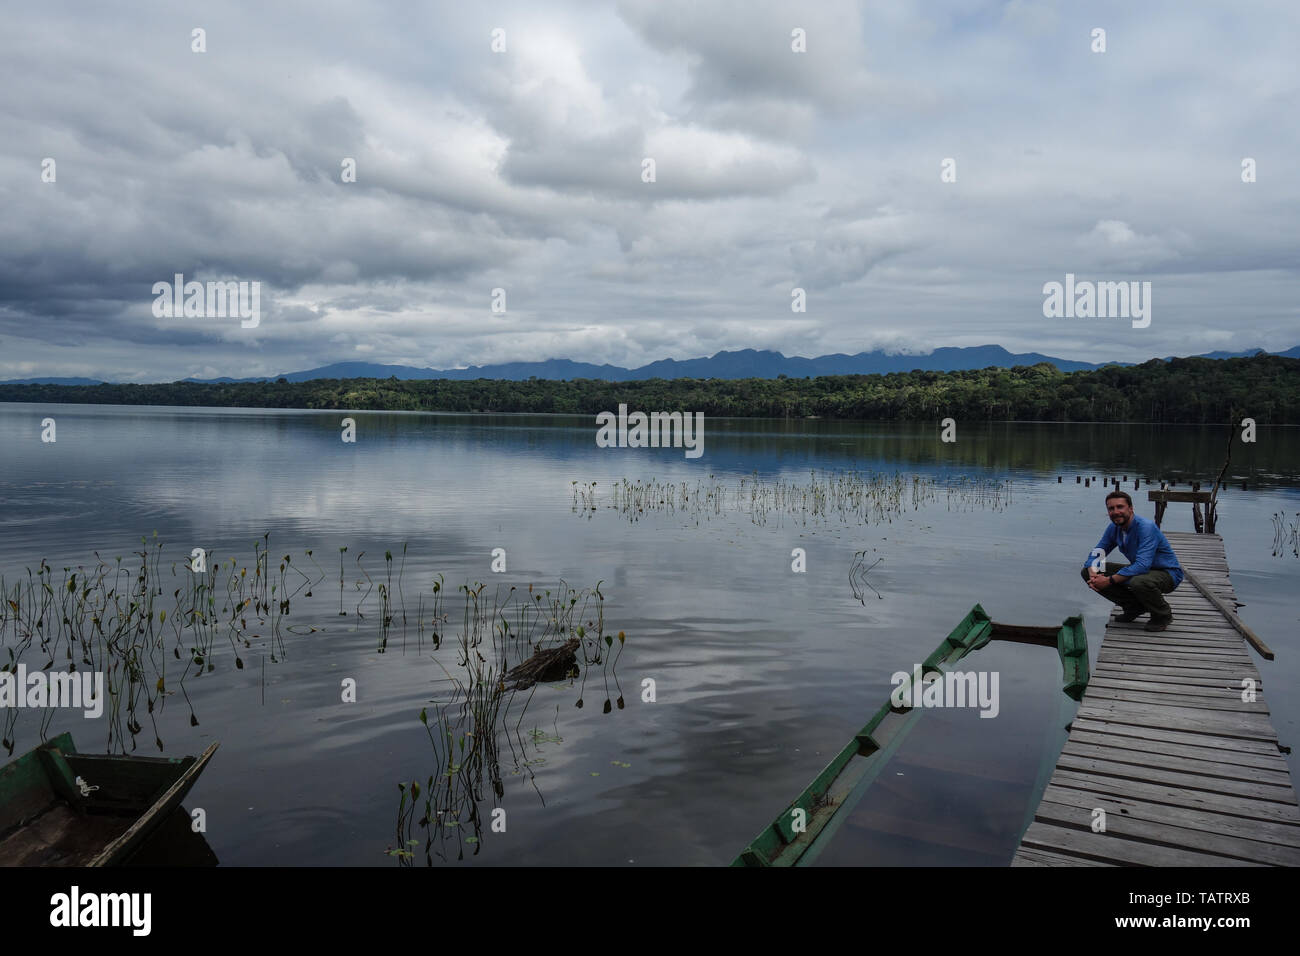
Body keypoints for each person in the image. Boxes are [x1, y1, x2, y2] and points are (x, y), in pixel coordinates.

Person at [1081, 490, 1184, 631]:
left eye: (1120, 507)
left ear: (1130, 508)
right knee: (1087, 572)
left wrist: (1108, 581)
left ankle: (1162, 615)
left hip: (1167, 573)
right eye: (1111, 508)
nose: (1116, 512)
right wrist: (1093, 573)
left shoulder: (1146, 527)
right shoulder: (1114, 528)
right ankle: (1133, 607)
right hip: (1142, 570)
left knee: (1139, 582)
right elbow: (1099, 551)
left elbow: (1142, 565)